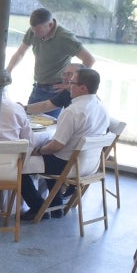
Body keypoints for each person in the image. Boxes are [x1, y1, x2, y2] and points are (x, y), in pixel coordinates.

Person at [21, 67, 110, 220]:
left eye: (72, 83)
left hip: (66, 165)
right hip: (89, 164)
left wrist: (40, 150)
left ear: (83, 88)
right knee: (49, 155)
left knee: (21, 165)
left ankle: (38, 207)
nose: (68, 86)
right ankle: (55, 207)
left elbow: (57, 146)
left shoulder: (73, 111)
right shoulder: (101, 107)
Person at [6, 7, 95, 110]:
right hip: (38, 87)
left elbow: (89, 59)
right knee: (26, 117)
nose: (35, 34)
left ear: (50, 25)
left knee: (49, 124)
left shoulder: (65, 37)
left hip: (55, 90)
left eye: (38, 31)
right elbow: (20, 53)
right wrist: (8, 70)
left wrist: (70, 84)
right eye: (33, 30)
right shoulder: (33, 31)